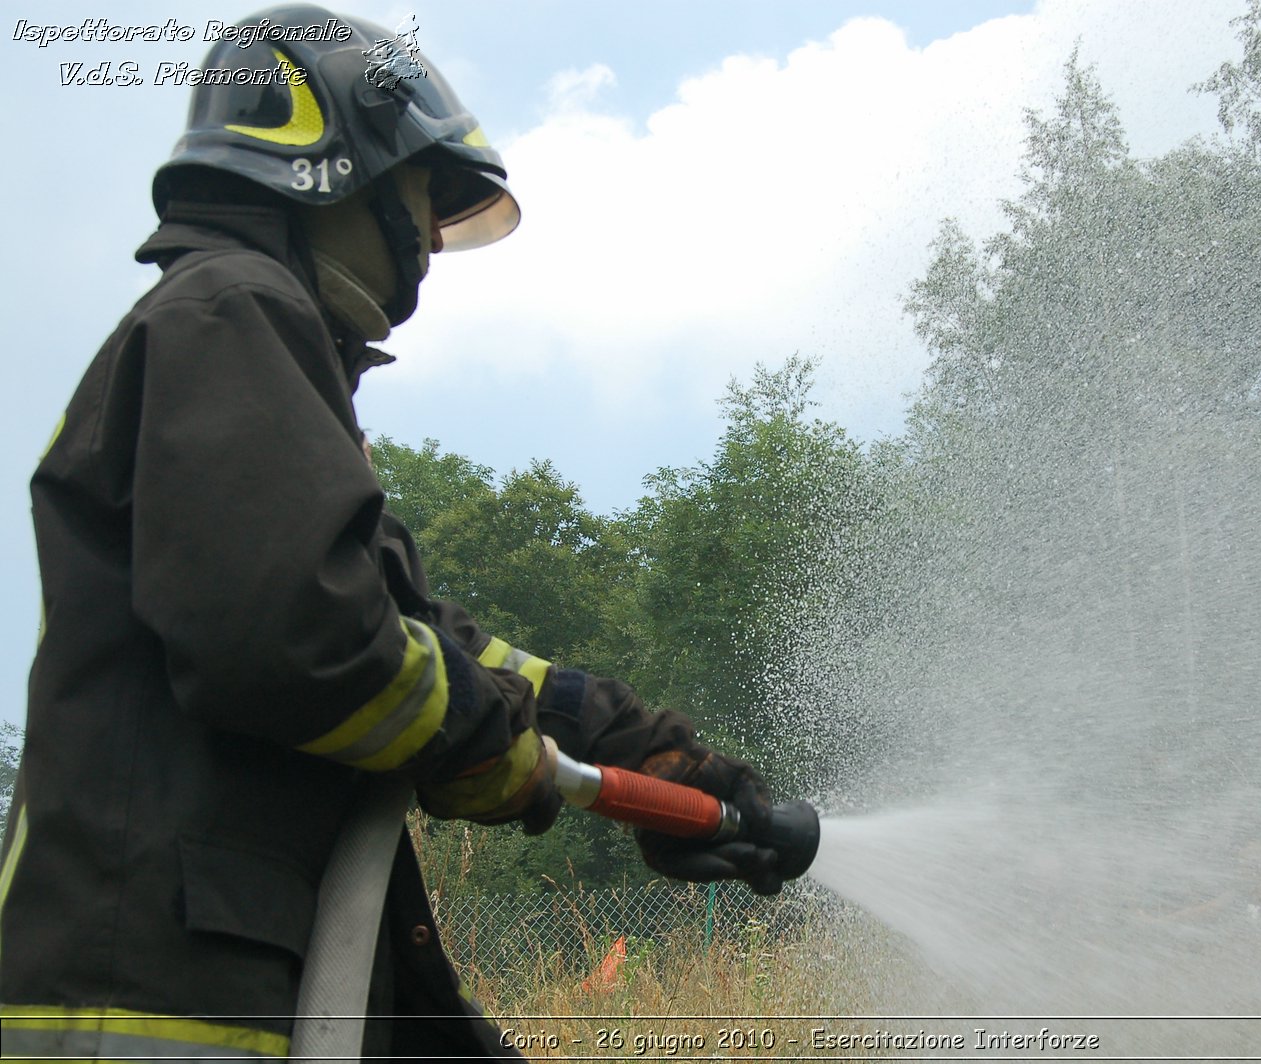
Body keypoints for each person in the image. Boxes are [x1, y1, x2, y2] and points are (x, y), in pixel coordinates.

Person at [0, 6, 781, 1059]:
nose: (428, 241)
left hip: (262, 958)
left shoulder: (263, 358)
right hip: (161, 996)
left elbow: (409, 630)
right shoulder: (230, 312)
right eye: (421, 193)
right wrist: (487, 746)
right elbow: (296, 636)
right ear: (338, 165)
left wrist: (630, 742)